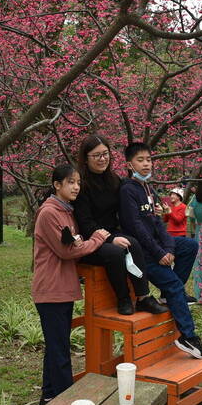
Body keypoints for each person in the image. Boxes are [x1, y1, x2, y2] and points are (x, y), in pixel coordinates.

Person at [118, 141, 202, 359]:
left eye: (148, 159)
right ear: (129, 164)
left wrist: (168, 247)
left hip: (157, 247)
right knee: (176, 285)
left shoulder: (148, 188)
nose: (146, 164)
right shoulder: (127, 191)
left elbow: (158, 223)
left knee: (189, 245)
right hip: (143, 254)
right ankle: (188, 336)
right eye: (140, 160)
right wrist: (160, 253)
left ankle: (170, 294)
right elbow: (136, 227)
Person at [32, 164, 111, 405]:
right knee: (60, 351)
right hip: (51, 290)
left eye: (78, 182)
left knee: (56, 348)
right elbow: (69, 250)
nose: (76, 187)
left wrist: (82, 243)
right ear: (57, 185)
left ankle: (49, 396)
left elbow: (73, 246)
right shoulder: (49, 213)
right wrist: (97, 238)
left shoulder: (66, 211)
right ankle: (68, 400)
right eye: (71, 182)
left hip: (60, 289)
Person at [73, 135, 167, 316]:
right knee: (115, 252)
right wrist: (108, 239)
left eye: (105, 154)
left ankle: (143, 297)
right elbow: (85, 223)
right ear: (86, 158)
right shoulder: (81, 184)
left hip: (112, 232)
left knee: (133, 243)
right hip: (90, 239)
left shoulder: (113, 179)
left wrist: (150, 207)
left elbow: (131, 198)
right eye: (97, 155)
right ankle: (123, 298)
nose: (103, 159)